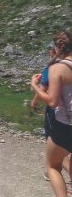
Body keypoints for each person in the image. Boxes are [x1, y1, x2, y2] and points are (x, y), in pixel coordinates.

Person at [31, 31, 72, 197]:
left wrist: (34, 85)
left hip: (64, 124)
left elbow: (52, 101)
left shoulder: (57, 68)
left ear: (57, 48)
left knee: (53, 166)